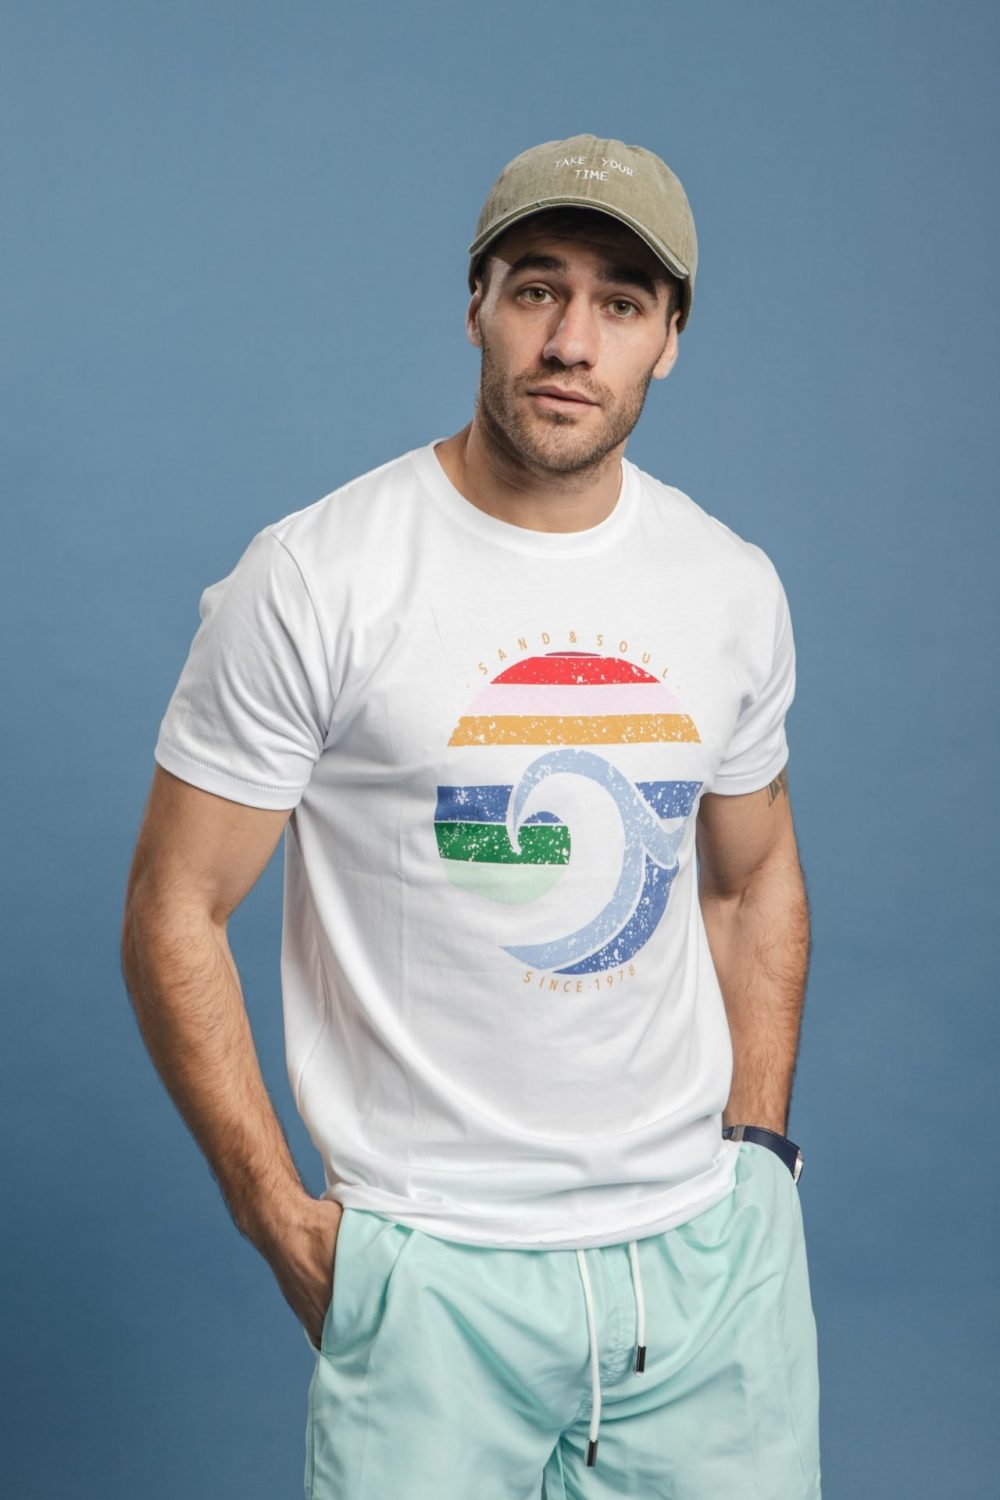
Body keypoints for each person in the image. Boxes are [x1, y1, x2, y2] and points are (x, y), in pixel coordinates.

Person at [121, 132, 821, 1499]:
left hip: (704, 1273)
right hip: (434, 1277)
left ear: (670, 339)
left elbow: (752, 883)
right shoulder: (317, 578)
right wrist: (282, 1221)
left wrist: (755, 1164)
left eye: (621, 303)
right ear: (476, 307)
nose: (571, 341)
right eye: (536, 289)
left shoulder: (729, 586)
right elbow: (174, 908)